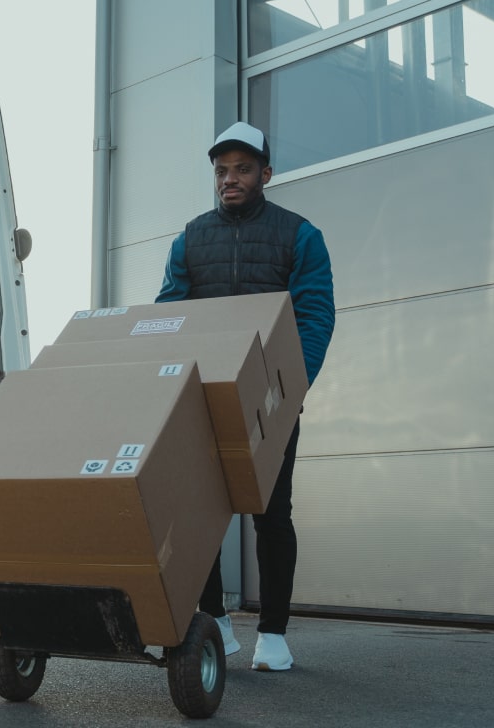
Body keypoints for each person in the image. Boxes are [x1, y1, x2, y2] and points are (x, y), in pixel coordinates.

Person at [156, 121, 334, 672]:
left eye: (242, 169)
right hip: (201, 399)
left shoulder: (299, 236)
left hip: (270, 402)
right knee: (199, 513)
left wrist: (292, 388)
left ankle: (274, 635)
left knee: (271, 514)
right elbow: (170, 313)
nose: (229, 179)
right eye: (221, 171)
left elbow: (314, 316)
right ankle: (216, 620)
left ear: (266, 173)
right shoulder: (190, 239)